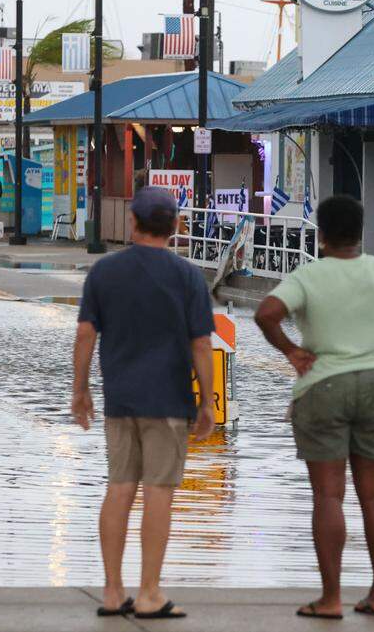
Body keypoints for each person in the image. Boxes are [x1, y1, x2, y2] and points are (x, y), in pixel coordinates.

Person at [254, 195, 374, 620]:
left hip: (323, 386)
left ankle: (330, 600)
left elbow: (266, 313)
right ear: (361, 233)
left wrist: (291, 350)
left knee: (328, 495)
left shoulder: (308, 275)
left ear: (321, 235)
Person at [71, 187, 217, 620]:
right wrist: (206, 401)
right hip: (169, 400)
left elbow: (85, 335)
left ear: (132, 222)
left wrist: (80, 390)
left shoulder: (105, 272)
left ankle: (113, 592)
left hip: (120, 399)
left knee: (119, 488)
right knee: (159, 492)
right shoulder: (188, 276)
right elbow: (202, 344)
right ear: (175, 227)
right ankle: (150, 592)